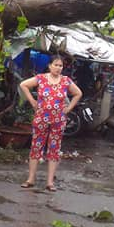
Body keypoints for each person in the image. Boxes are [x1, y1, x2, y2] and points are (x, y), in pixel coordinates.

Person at [19, 54, 83, 191]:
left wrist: (68, 109)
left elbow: (78, 94)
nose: (58, 68)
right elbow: (23, 85)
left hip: (58, 120)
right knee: (36, 147)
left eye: (61, 66)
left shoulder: (66, 81)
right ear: (49, 66)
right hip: (41, 118)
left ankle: (50, 182)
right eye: (56, 65)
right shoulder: (41, 78)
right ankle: (30, 179)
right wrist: (32, 101)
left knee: (54, 150)